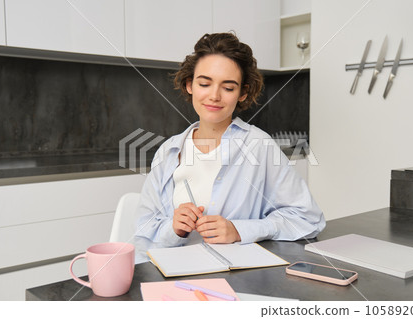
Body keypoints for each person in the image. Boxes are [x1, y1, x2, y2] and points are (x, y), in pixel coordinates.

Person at [133, 33, 325, 263]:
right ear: (189, 85)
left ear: (242, 93)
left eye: (228, 87)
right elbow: (142, 233)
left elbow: (308, 219)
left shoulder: (259, 146)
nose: (214, 96)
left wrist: (239, 230)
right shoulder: (168, 151)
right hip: (175, 279)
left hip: (238, 281)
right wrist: (173, 229)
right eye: (204, 83)